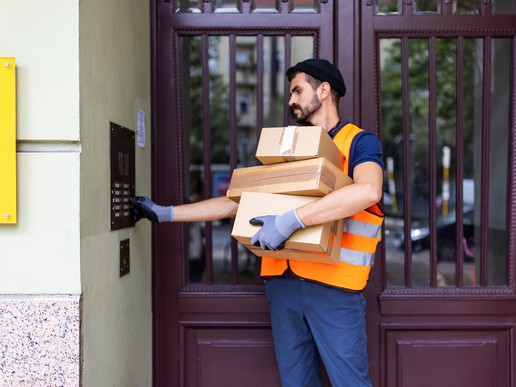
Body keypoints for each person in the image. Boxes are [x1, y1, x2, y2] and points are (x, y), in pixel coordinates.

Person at [130, 58, 385, 387]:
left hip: (335, 289)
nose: (291, 100)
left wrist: (290, 220)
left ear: (323, 91)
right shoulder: (292, 151)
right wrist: (166, 213)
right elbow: (236, 203)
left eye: (297, 90)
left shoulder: (359, 142)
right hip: (283, 288)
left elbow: (368, 190)